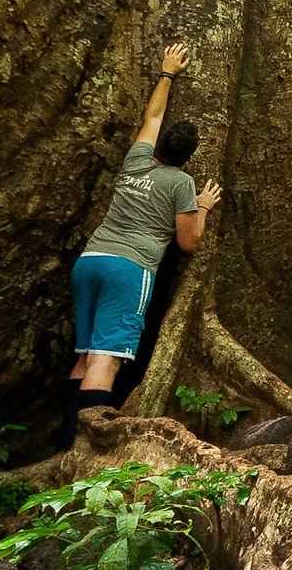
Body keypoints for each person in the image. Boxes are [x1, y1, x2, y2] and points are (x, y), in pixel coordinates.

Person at [60, 42, 222, 445]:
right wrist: (201, 207)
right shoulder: (181, 183)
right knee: (106, 357)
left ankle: (64, 440)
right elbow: (188, 242)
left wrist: (167, 72)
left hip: (90, 261)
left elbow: (152, 117)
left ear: (160, 145)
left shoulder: (135, 160)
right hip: (128, 270)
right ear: (189, 158)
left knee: (84, 354)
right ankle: (84, 446)